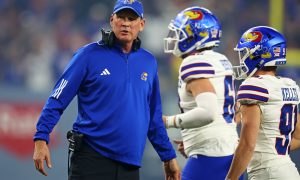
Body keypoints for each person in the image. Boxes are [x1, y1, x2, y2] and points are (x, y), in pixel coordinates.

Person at [32, 0, 181, 180]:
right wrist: (41, 138)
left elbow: (153, 117)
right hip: (92, 159)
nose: (126, 23)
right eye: (121, 17)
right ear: (112, 20)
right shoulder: (88, 55)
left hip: (130, 164)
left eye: (132, 18)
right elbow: (57, 98)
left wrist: (168, 157)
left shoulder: (148, 62)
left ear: (142, 24)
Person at [163, 6, 242, 180]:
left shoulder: (193, 62)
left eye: (180, 32)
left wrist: (168, 122)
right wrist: (196, 140)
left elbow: (208, 112)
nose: (175, 37)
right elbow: (235, 110)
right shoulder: (220, 60)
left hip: (211, 156)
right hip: (229, 153)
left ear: (196, 36)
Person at [226, 26, 300, 180]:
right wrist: (272, 151)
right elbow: (298, 136)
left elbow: (247, 145)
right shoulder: (288, 85)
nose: (242, 58)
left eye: (245, 53)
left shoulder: (253, 86)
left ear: (259, 54)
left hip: (267, 174)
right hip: (288, 170)